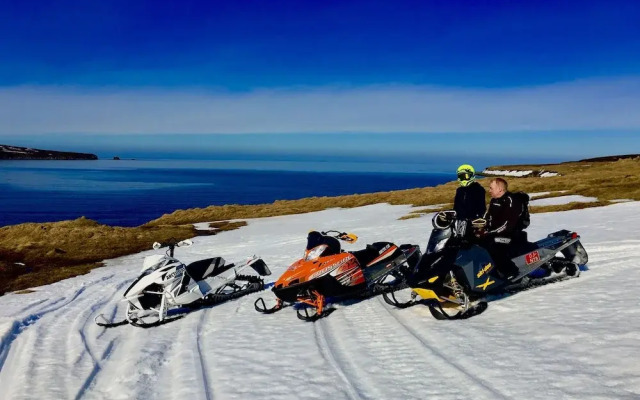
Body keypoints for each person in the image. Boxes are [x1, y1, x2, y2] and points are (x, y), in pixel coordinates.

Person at [479, 177, 527, 279]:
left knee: (493, 247)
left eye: (491, 188)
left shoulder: (512, 201)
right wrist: (479, 227)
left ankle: (511, 272)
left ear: (500, 189)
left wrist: (489, 233)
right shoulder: (494, 200)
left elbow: (507, 225)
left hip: (510, 234)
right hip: (496, 233)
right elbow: (487, 217)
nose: (489, 190)